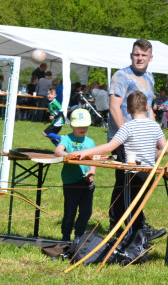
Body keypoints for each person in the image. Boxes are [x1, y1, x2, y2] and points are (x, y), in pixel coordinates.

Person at [69, 91, 165, 238]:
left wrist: (85, 152)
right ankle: (138, 236)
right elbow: (164, 148)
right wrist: (152, 156)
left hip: (132, 173)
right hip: (150, 174)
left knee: (129, 207)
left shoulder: (128, 127)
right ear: (147, 107)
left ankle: (133, 240)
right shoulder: (155, 126)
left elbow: (109, 147)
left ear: (127, 109)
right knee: (136, 204)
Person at [106, 39, 162, 242]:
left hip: (144, 140)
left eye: (143, 55)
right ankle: (121, 226)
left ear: (150, 58)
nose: (139, 58)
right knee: (125, 182)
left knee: (140, 182)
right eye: (136, 54)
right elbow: (114, 107)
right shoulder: (121, 76)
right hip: (122, 139)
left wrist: (155, 137)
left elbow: (149, 110)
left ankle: (135, 225)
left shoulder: (149, 77)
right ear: (131, 55)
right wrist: (126, 137)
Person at [54, 109, 96, 243]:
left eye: (85, 125)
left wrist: (92, 172)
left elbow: (93, 160)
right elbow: (58, 150)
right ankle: (65, 236)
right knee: (70, 212)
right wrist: (67, 155)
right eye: (78, 126)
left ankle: (79, 236)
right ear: (72, 125)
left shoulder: (90, 142)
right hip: (71, 181)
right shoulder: (67, 138)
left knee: (86, 212)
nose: (82, 128)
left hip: (87, 182)